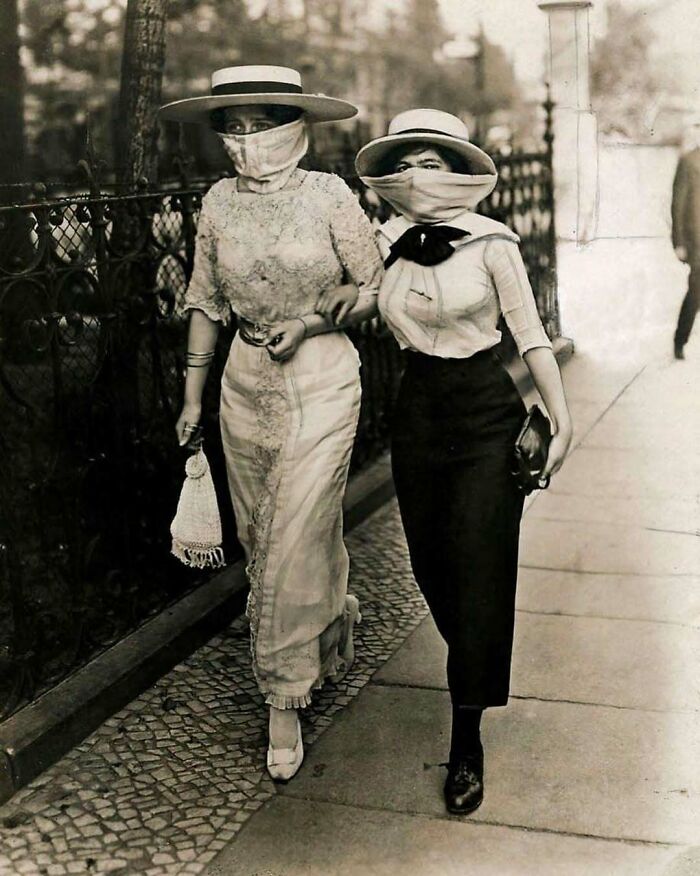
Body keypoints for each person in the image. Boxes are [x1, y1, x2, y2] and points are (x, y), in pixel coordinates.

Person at [159, 66, 383, 782]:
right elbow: (204, 301)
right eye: (234, 126)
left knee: (294, 536)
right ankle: (333, 613)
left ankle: (283, 699)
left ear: (296, 125)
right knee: (266, 536)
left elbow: (374, 285)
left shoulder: (329, 195)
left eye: (262, 124)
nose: (247, 139)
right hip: (243, 383)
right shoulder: (218, 202)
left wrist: (316, 319)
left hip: (321, 378)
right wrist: (193, 397)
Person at [355, 109, 572, 815]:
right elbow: (357, 303)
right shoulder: (381, 243)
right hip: (418, 412)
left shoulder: (493, 244)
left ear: (457, 173)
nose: (418, 175)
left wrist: (562, 419)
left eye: (432, 162)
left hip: (485, 410)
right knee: (433, 568)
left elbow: (531, 334)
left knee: (480, 567)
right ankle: (475, 657)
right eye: (406, 163)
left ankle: (466, 736)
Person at [671, 116, 700, 360]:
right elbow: (677, 205)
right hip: (697, 240)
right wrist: (679, 241)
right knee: (696, 291)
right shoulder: (689, 161)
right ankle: (680, 340)